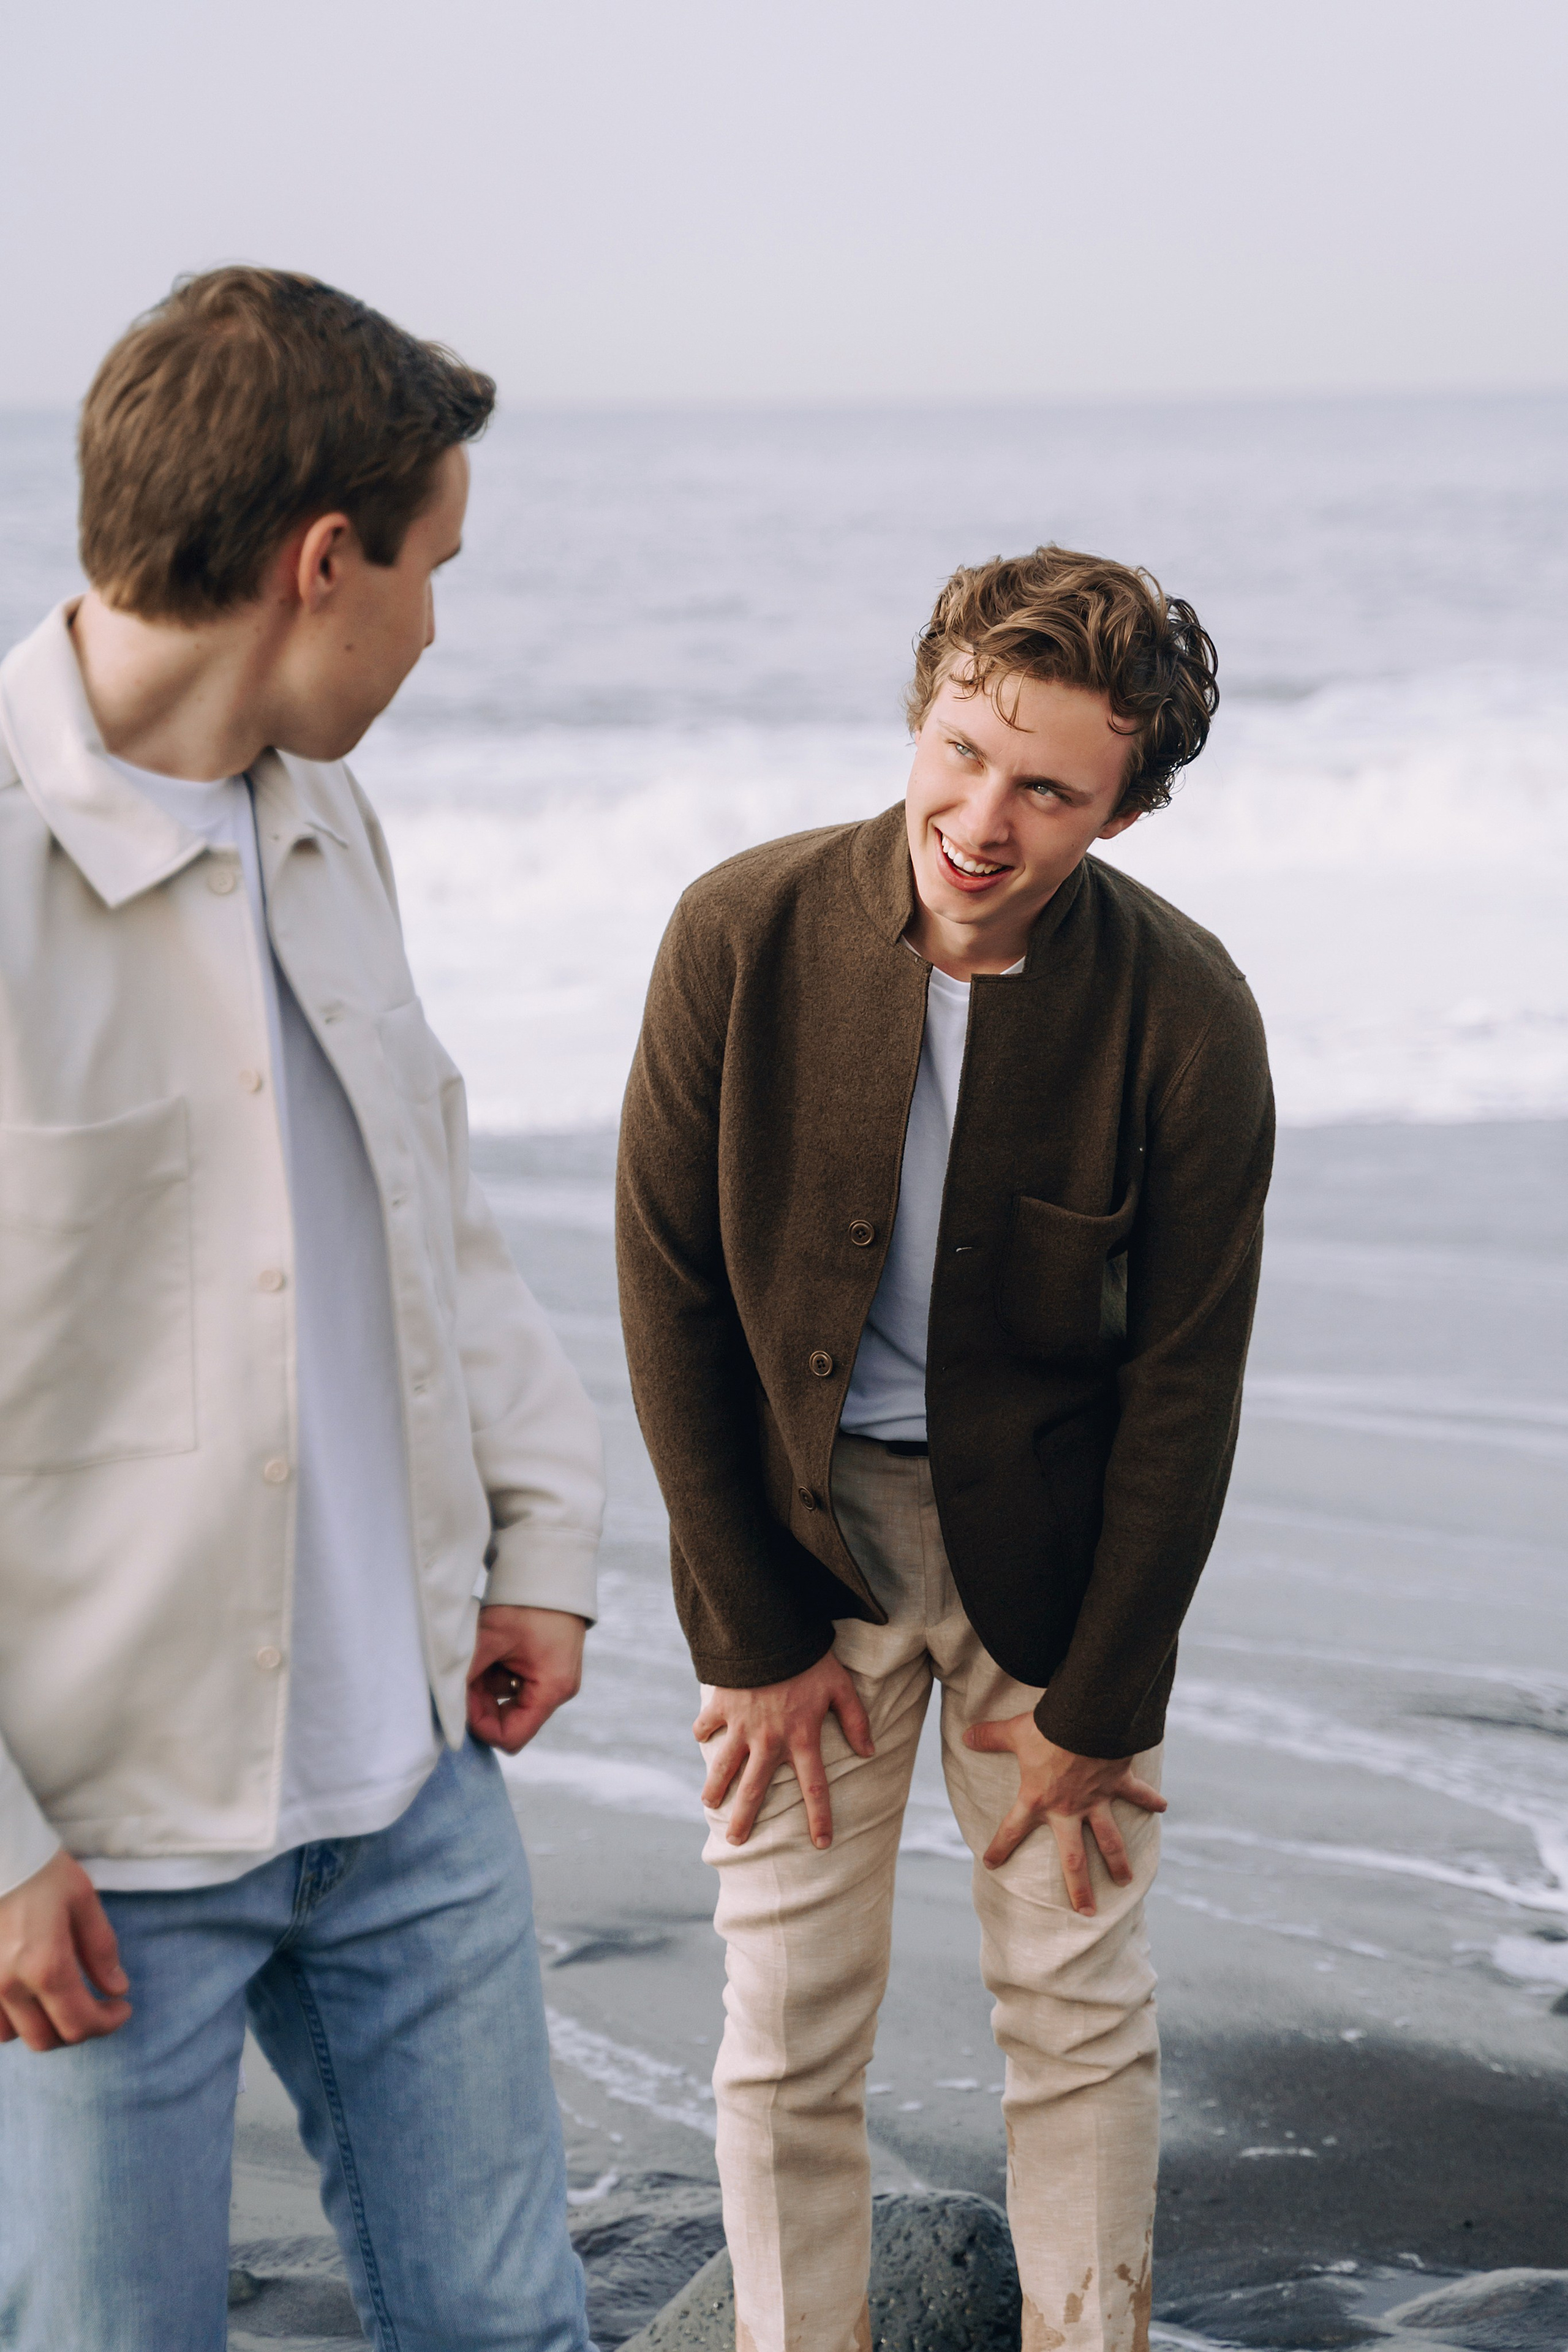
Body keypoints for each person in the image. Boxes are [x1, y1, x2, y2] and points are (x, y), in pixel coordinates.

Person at [0, 269, 603, 2352]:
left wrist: (542, 1542)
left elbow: (430, 1209)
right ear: (316, 559)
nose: (436, 626)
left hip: (416, 1785)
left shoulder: (326, 813)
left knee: (517, 2336)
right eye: (431, 568)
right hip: (99, 1850)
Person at [616, 546, 1273, 2352]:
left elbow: (1186, 1384)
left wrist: (1105, 1700)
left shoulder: (1189, 1017)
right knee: (786, 2022)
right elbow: (669, 1299)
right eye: (965, 747)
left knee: (1079, 2012)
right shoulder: (734, 934)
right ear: (925, 706)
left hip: (1057, 1586)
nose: (982, 817)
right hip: (797, 1563)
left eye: (1049, 787)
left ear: (1123, 811)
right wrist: (746, 1638)